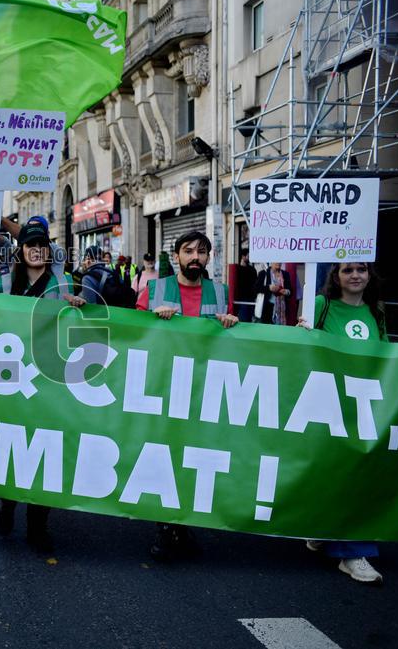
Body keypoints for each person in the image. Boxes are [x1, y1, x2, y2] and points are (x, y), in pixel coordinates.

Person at [0, 221, 84, 552]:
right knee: (12, 449)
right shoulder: (6, 281)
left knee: (46, 452)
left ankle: (38, 525)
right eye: (30, 245)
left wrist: (76, 307)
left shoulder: (61, 283)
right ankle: (8, 504)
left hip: (48, 379)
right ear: (21, 251)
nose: (37, 250)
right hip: (11, 378)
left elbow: (78, 329)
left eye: (42, 244)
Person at [136, 231, 237, 561]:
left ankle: (181, 524)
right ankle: (166, 526)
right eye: (188, 251)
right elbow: (132, 334)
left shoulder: (220, 293)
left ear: (209, 258)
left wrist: (231, 324)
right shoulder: (155, 290)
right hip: (163, 386)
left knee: (193, 458)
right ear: (175, 256)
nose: (195, 257)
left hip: (202, 390)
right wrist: (151, 317)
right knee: (164, 454)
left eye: (202, 252)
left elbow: (234, 342)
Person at [298, 262, 386, 584]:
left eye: (361, 269)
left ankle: (348, 547)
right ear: (335, 276)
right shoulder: (320, 306)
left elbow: (386, 355)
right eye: (347, 269)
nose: (355, 275)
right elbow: (302, 345)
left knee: (355, 473)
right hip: (327, 403)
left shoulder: (376, 311)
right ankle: (348, 549)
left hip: (360, 405)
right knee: (334, 471)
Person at [233, 249, 259, 322]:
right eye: (248, 256)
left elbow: (255, 283)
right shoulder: (237, 269)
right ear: (243, 256)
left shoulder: (252, 269)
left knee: (250, 319)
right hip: (241, 298)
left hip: (251, 298)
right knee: (243, 319)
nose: (250, 257)